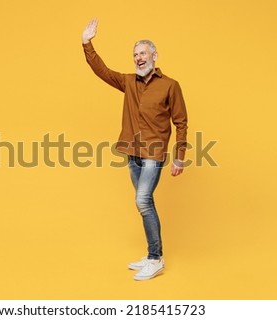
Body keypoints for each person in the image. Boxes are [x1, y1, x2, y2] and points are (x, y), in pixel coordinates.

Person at [82, 19, 188, 281]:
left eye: (142, 53)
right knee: (146, 203)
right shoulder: (128, 82)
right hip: (133, 152)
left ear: (154, 56)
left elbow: (181, 122)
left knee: (142, 201)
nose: (138, 58)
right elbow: (102, 71)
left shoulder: (170, 85)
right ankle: (154, 255)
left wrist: (179, 158)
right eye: (135, 55)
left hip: (154, 153)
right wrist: (87, 43)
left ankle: (155, 259)